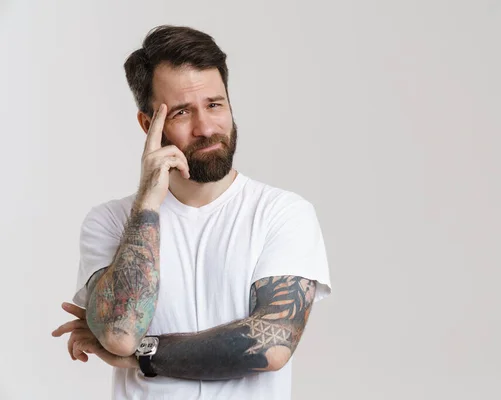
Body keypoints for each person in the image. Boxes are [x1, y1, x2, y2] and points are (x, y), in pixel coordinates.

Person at [51, 25, 332, 400]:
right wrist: (148, 202)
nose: (206, 128)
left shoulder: (282, 213)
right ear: (148, 125)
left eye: (215, 105)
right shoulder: (110, 221)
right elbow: (120, 334)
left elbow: (271, 345)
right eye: (182, 112)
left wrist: (143, 355)